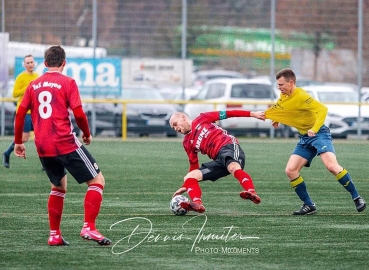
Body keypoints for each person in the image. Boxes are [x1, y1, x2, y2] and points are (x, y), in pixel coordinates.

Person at [13, 45, 111, 246]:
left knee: (58, 186)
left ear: (45, 64)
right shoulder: (68, 82)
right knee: (97, 181)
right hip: (64, 142)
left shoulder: (34, 85)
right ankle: (89, 228)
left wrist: (18, 142)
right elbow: (79, 112)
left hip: (42, 145)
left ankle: (54, 235)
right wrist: (87, 133)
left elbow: (20, 114)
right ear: (64, 64)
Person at [263, 68, 366, 215]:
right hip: (305, 138)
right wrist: (275, 118)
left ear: (291, 83)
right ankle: (309, 205)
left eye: (281, 85)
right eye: (278, 85)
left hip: (319, 134)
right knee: (291, 170)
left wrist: (315, 128)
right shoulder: (284, 95)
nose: (279, 88)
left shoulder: (302, 96)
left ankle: (357, 197)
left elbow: (322, 109)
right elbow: (282, 108)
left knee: (331, 166)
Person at [169, 110, 264, 213]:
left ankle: (251, 192)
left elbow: (229, 113)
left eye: (175, 124)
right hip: (219, 160)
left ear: (183, 117)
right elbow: (193, 164)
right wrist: (186, 185)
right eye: (173, 128)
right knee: (189, 176)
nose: (176, 129)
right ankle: (197, 203)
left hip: (229, 147)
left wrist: (252, 114)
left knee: (233, 167)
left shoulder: (203, 118)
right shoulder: (187, 142)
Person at [2, 55, 38, 168]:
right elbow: (15, 94)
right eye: (27, 63)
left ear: (34, 63)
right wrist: (27, 87)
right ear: (24, 65)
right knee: (24, 138)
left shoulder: (37, 76)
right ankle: (7, 153)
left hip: (36, 112)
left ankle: (45, 162)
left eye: (31, 62)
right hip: (25, 112)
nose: (30, 64)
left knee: (41, 137)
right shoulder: (21, 77)